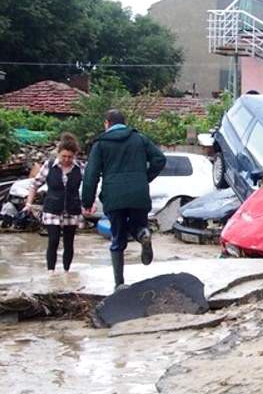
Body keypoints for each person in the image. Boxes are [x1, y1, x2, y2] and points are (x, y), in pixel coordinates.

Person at [81, 109, 166, 287]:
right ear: (124, 122)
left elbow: (91, 175)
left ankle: (119, 284)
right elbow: (159, 159)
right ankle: (144, 234)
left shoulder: (100, 144)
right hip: (138, 194)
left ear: (107, 123)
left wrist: (87, 202)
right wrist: (144, 178)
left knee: (117, 239)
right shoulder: (139, 138)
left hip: (113, 197)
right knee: (138, 226)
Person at [24, 133, 83, 273]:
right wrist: (28, 203)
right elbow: (35, 184)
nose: (67, 160)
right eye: (64, 156)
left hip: (72, 209)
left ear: (74, 155)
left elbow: (89, 186)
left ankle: (66, 272)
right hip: (52, 208)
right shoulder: (49, 166)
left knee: (69, 242)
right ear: (58, 154)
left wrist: (88, 203)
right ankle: (51, 272)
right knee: (53, 240)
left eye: (70, 157)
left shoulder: (80, 167)